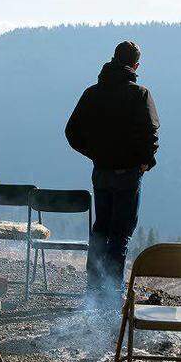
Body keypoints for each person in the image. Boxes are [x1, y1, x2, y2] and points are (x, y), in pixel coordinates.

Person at [64, 40, 160, 309]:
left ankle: (93, 290)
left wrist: (94, 153)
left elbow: (72, 132)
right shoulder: (140, 94)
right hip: (129, 173)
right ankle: (111, 294)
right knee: (120, 234)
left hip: (102, 171)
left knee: (100, 230)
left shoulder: (92, 93)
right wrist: (145, 162)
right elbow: (151, 134)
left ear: (113, 59)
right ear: (136, 65)